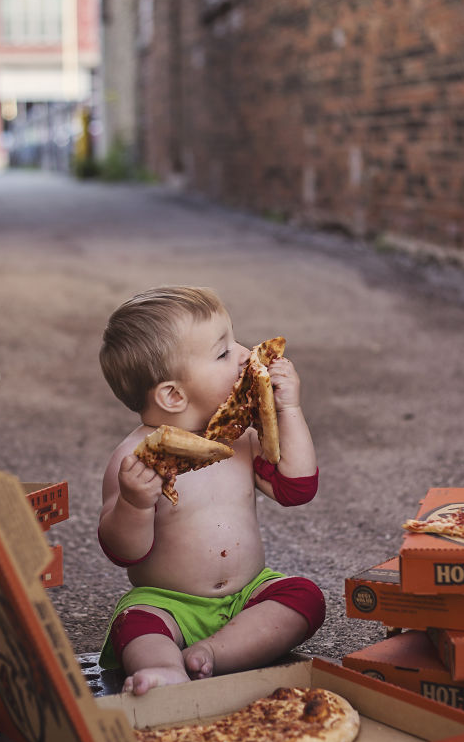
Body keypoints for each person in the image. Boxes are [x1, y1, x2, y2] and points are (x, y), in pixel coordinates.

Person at [97, 285, 324, 695]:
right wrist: (134, 502)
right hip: (170, 603)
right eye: (223, 353)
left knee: (304, 598)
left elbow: (297, 488)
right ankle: (164, 669)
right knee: (136, 625)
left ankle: (212, 653)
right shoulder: (134, 459)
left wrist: (289, 410)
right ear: (172, 395)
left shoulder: (242, 439)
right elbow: (122, 551)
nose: (243, 354)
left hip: (247, 594)